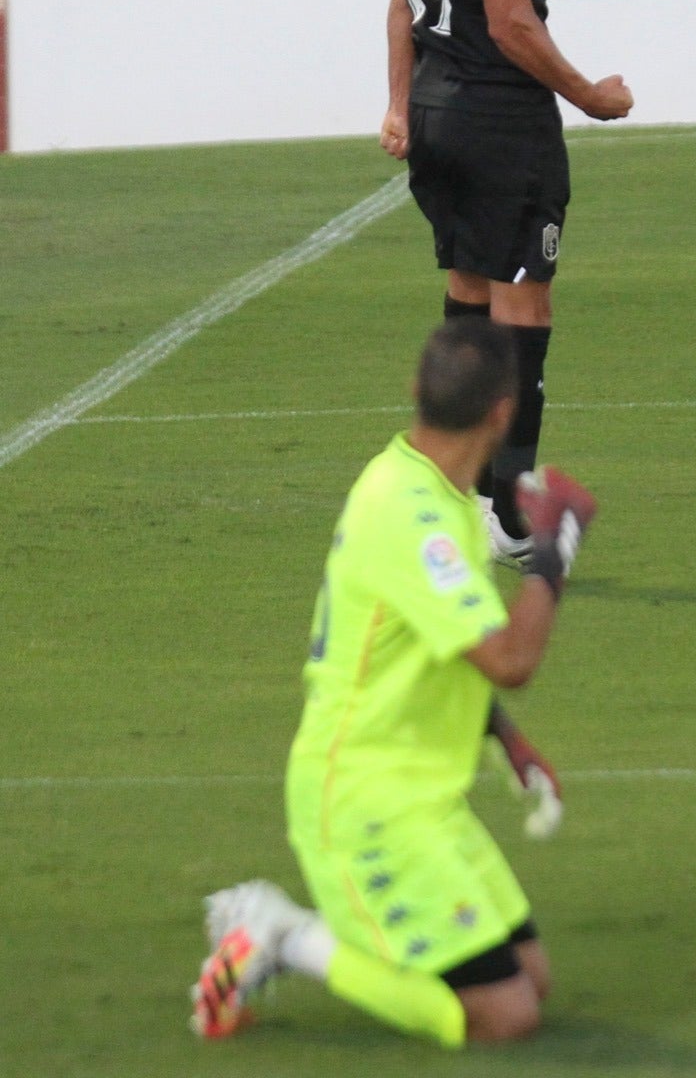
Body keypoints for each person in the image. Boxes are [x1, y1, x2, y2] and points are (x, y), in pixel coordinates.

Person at [190, 317, 598, 1045]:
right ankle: (281, 935)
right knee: (505, 1017)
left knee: (530, 979)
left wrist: (503, 738)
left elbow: (440, 644)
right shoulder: (413, 517)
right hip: (363, 800)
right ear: (502, 413)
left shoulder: (429, 488)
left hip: (420, 792)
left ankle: (290, 936)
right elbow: (510, 660)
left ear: (415, 391)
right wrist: (552, 554)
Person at [379, 0, 632, 552]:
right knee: (525, 312)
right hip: (497, 122)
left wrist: (396, 101)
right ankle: (513, 515)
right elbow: (510, 20)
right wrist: (588, 94)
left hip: (438, 115)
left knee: (467, 297)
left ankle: (451, 491)